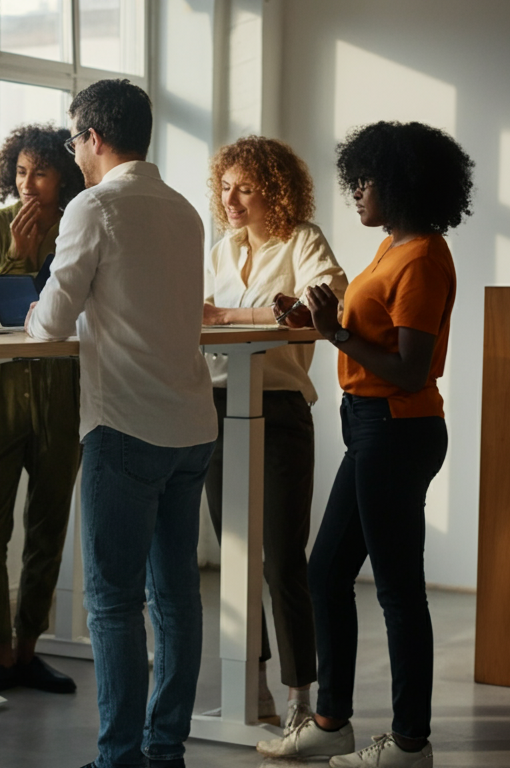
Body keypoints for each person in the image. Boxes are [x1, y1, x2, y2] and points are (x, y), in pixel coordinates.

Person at [257, 121, 473, 768]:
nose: (355, 191)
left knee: (399, 590)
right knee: (325, 573)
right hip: (372, 428)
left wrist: (334, 335)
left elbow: (411, 368)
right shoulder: (392, 249)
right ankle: (331, 722)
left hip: (397, 428)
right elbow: (363, 326)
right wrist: (313, 319)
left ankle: (409, 742)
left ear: (400, 183)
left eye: (365, 180)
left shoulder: (425, 258)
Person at [26, 79, 216, 768]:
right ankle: (163, 750)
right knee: (176, 599)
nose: (74, 150)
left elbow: (50, 320)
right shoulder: (185, 210)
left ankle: (119, 759)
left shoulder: (94, 206)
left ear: (95, 138)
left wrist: (31, 305)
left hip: (125, 425)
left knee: (111, 603)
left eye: (75, 138)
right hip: (191, 424)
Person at [201, 136, 348, 728]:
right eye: (226, 187)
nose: (231, 199)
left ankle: (299, 695)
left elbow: (317, 310)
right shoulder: (219, 250)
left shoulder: (303, 240)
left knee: (283, 559)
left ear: (276, 190)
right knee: (235, 553)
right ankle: (249, 685)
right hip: (214, 408)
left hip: (279, 407)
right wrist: (263, 313)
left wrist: (233, 316)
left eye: (246, 187)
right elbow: (195, 315)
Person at [0, 124, 87, 694]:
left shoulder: (77, 225)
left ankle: (30, 646)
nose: (28, 183)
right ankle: (0, 649)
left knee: (48, 525)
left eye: (39, 171)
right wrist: (16, 257)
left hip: (62, 395)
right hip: (0, 397)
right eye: (19, 171)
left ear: (62, 176)